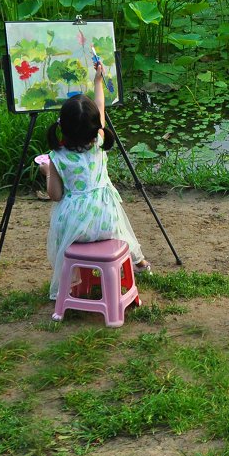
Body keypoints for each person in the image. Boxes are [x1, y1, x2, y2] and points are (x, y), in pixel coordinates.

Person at [41, 61, 149, 300]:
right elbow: (100, 108)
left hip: (75, 231)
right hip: (106, 223)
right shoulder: (99, 142)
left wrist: (47, 171)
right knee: (121, 222)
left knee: (60, 226)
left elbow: (55, 195)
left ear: (63, 127)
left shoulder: (56, 157)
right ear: (95, 127)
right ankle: (138, 261)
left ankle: (74, 276)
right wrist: (98, 81)